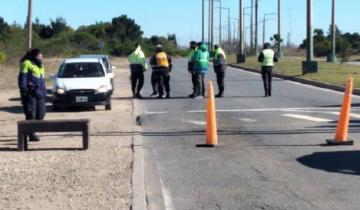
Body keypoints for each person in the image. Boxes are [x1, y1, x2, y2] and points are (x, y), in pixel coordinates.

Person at [18, 48, 46, 142]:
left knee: (41, 114)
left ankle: (31, 131)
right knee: (31, 114)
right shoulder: (26, 63)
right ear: (34, 56)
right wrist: (24, 91)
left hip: (40, 93)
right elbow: (22, 78)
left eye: (42, 56)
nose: (41, 58)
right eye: (39, 56)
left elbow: (42, 80)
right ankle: (31, 133)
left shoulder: (40, 65)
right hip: (30, 94)